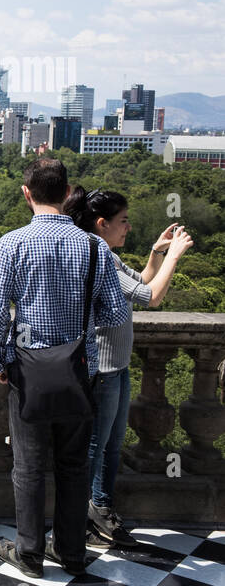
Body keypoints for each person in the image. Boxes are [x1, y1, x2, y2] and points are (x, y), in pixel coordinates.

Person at [0, 159, 125, 578]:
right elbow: (114, 313)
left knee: (27, 466)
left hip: (28, 371)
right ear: (66, 193)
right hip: (79, 371)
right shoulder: (95, 247)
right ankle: (71, 551)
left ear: (27, 194)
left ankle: (29, 552)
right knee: (74, 465)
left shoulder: (12, 243)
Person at [63, 187, 193, 549]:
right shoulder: (94, 253)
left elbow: (139, 282)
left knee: (111, 446)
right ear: (102, 224)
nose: (128, 227)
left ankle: (100, 509)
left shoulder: (104, 251)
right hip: (101, 369)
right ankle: (81, 518)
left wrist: (157, 252)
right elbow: (151, 296)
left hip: (116, 366)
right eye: (123, 221)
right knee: (96, 446)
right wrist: (176, 257)